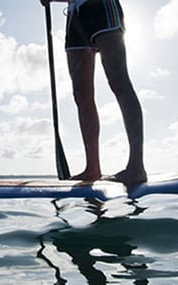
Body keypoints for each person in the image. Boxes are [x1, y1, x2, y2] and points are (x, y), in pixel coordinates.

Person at [41, 0, 147, 185]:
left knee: (118, 81)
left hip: (102, 7)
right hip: (75, 16)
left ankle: (136, 166)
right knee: (81, 95)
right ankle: (92, 168)